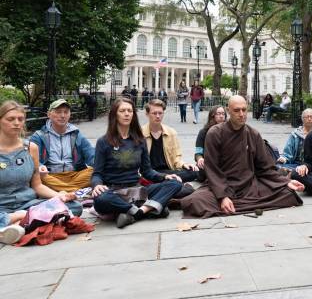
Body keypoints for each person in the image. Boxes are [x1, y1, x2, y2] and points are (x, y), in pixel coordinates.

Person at [181, 96, 304, 217]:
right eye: (236, 110)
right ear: (228, 111)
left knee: (288, 193)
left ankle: (233, 205)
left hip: (249, 186)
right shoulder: (215, 133)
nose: (241, 114)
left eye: (244, 110)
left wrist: (285, 182)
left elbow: (265, 167)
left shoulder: (253, 134)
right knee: (193, 202)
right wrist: (223, 196)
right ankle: (233, 203)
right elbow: (212, 169)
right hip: (222, 185)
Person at [91, 97, 182, 228]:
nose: (127, 114)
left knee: (175, 183)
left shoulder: (139, 140)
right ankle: (148, 210)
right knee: (100, 199)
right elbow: (97, 173)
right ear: (115, 114)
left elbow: (147, 171)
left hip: (137, 190)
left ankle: (136, 213)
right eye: (122, 111)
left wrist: (165, 176)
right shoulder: (103, 141)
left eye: (130, 111)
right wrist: (97, 185)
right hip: (114, 192)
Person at [0, 101, 80, 244]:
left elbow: (37, 186)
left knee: (74, 207)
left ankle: (17, 225)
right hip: (2, 207)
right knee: (53, 214)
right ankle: (20, 220)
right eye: (10, 119)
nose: (16, 123)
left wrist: (60, 195)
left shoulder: (31, 148)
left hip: (28, 203)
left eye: (20, 119)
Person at [30, 99, 95, 192]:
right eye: (58, 112)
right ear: (48, 114)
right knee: (39, 177)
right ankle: (76, 191)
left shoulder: (76, 134)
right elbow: (32, 159)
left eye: (66, 112)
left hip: (74, 175)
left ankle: (62, 191)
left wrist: (99, 164)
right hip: (51, 176)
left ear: (70, 114)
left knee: (94, 172)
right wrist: (40, 166)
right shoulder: (39, 136)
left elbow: (90, 153)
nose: (62, 116)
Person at [141, 99, 200, 196]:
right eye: (154, 113)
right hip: (150, 173)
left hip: (168, 171)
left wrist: (184, 164)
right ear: (147, 114)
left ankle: (169, 187)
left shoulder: (171, 132)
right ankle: (180, 188)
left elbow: (177, 158)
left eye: (160, 113)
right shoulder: (140, 134)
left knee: (194, 172)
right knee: (172, 182)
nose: (157, 116)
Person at [195, 105, 227, 174]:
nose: (221, 116)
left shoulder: (229, 131)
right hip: (209, 163)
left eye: (223, 114)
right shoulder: (203, 132)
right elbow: (198, 152)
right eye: (218, 114)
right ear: (212, 116)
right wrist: (200, 158)